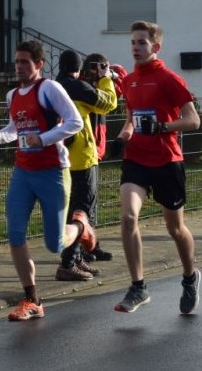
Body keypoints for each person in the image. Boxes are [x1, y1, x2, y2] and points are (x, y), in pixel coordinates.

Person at [0, 40, 97, 321]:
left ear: (39, 64)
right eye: (17, 62)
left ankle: (80, 226)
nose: (19, 67)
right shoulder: (12, 95)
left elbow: (74, 122)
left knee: (54, 245)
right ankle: (31, 299)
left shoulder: (50, 89)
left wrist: (43, 139)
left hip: (53, 171)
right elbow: (14, 129)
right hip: (23, 172)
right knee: (15, 234)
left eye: (25, 62)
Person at [110, 20, 201, 314]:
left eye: (142, 43)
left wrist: (164, 126)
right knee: (127, 218)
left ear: (156, 47)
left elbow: (193, 120)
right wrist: (124, 134)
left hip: (166, 160)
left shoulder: (169, 80)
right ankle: (138, 287)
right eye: (133, 43)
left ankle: (189, 277)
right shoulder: (129, 81)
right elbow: (132, 117)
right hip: (136, 159)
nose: (136, 48)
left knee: (175, 228)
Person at [54, 50, 118, 281]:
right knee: (82, 213)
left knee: (70, 212)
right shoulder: (78, 88)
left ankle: (77, 256)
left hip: (60, 159)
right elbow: (108, 103)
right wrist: (106, 78)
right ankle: (68, 264)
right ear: (80, 68)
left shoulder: (53, 86)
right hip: (81, 159)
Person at [79, 53, 127, 263]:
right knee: (84, 205)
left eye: (99, 67)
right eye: (92, 68)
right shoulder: (81, 88)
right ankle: (83, 249)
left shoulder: (105, 84)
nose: (95, 72)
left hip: (94, 151)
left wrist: (110, 74)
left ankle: (90, 246)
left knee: (90, 204)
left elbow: (122, 86)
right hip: (84, 152)